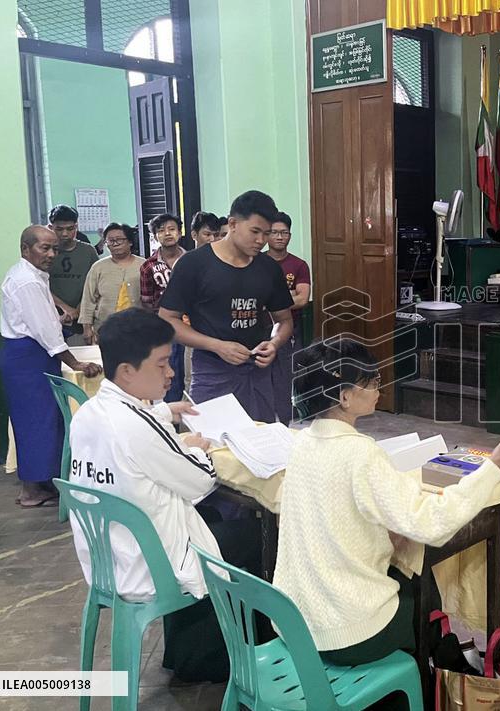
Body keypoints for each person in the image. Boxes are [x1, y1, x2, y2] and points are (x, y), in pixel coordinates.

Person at [274, 339, 500, 673]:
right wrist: (493, 467)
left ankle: (446, 665)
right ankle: (440, 676)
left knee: (412, 579)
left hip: (293, 622)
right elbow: (432, 525)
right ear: (344, 397)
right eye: (371, 381)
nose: (379, 387)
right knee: (425, 600)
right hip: (344, 635)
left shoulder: (301, 443)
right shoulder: (361, 453)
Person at [68, 307, 260, 681]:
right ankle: (219, 661)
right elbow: (200, 482)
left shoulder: (88, 414)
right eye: (161, 365)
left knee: (216, 521)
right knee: (253, 535)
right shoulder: (134, 426)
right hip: (150, 565)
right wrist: (198, 449)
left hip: (108, 559)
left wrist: (165, 416)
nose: (171, 372)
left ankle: (185, 653)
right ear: (127, 371)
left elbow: (136, 437)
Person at [159, 191, 294, 421]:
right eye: (255, 232)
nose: (261, 241)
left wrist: (274, 343)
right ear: (232, 224)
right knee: (213, 444)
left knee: (261, 440)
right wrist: (217, 346)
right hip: (212, 370)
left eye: (267, 233)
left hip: (258, 371)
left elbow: (284, 320)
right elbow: (167, 320)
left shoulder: (268, 268)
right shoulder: (194, 264)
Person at [0, 226, 102, 508]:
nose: (51, 254)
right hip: (27, 358)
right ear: (25, 249)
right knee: (36, 421)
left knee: (46, 419)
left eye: (54, 248)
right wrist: (75, 362)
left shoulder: (32, 275)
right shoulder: (27, 281)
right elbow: (45, 332)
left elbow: (43, 322)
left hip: (30, 355)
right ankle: (31, 490)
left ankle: (44, 481)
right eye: (44, 248)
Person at [266, 211, 311, 423]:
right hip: (259, 329)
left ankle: (284, 425)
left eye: (284, 232)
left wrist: (269, 299)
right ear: (267, 235)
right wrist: (287, 295)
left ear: (290, 236)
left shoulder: (299, 265)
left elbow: (303, 299)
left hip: (290, 328)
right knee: (262, 378)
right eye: (274, 232)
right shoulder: (256, 262)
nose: (279, 237)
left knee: (285, 378)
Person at [141, 213, 186, 401]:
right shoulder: (148, 266)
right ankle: (173, 418)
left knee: (192, 373)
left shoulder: (192, 260)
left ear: (180, 232)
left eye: (172, 229)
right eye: (161, 230)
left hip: (194, 325)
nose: (167, 234)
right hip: (165, 329)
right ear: (155, 236)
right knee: (171, 373)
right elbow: (146, 301)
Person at [78, 223, 144, 344]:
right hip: (104, 329)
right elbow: (88, 299)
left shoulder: (143, 265)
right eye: (110, 240)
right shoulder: (98, 267)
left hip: (138, 329)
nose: (115, 243)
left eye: (119, 240)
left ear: (130, 242)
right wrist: (87, 328)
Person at [48, 204, 99, 343]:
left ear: (76, 227)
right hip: (50, 320)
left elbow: (94, 285)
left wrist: (78, 310)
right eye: (59, 229)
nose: (65, 234)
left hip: (82, 324)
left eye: (70, 229)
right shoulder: (45, 252)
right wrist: (65, 308)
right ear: (50, 227)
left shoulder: (88, 251)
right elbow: (40, 285)